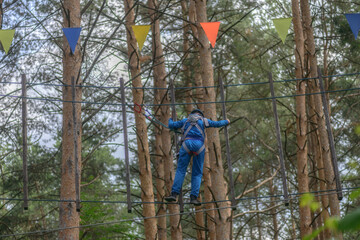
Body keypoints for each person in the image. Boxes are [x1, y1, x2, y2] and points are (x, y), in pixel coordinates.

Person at [164, 109, 230, 206]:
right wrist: (227, 121)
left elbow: (171, 125)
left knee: (181, 170)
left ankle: (174, 194)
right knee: (197, 173)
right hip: (199, 146)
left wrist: (170, 118)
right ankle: (193, 198)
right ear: (200, 115)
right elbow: (217, 124)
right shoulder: (204, 120)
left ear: (191, 114)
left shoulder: (185, 121)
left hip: (186, 144)